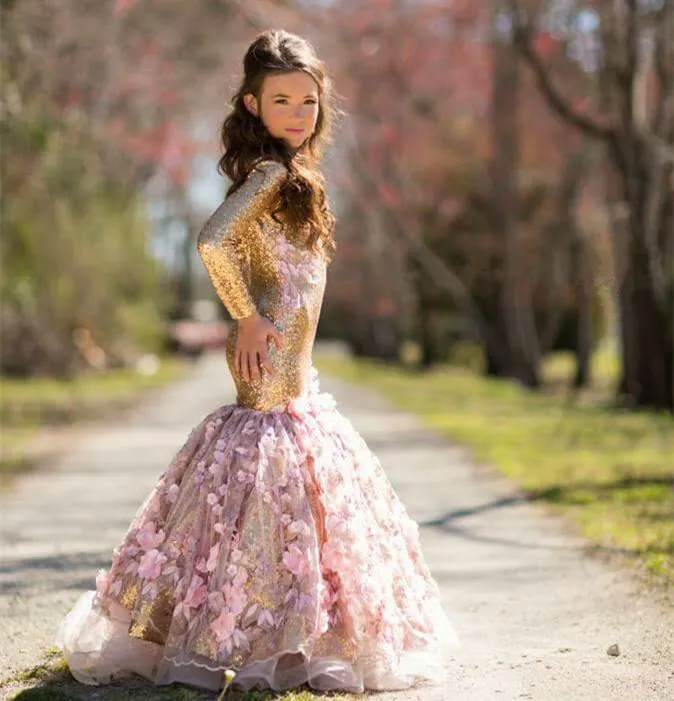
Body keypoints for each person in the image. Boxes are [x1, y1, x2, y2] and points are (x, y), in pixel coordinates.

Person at [55, 28, 460, 694]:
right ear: (252, 106)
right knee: (264, 486)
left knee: (292, 492)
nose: (298, 113)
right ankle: (257, 632)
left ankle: (289, 632)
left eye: (308, 101)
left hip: (297, 377)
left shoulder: (295, 175)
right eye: (282, 101)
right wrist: (245, 315)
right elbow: (214, 241)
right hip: (269, 358)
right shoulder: (270, 174)